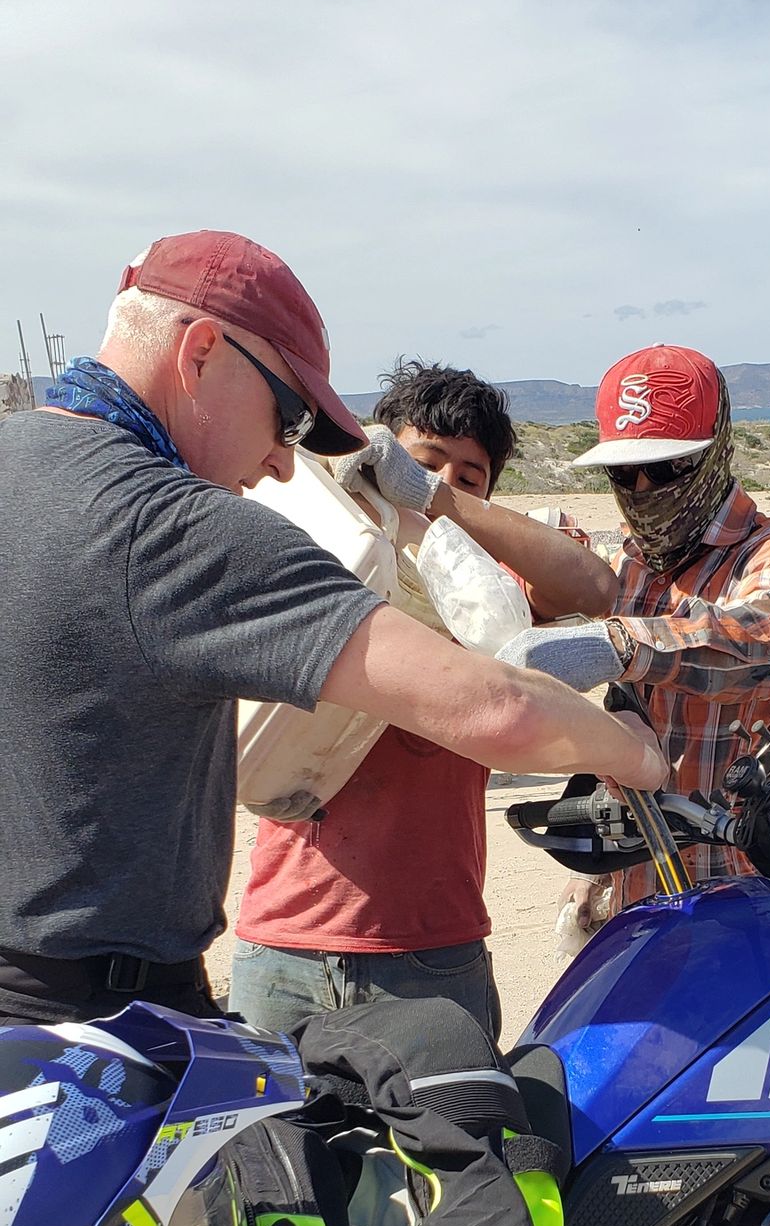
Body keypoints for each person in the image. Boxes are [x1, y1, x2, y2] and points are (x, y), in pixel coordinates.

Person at [0, 233, 665, 1028]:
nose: (284, 465)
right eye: (288, 418)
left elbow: (588, 586)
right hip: (99, 1018)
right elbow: (499, 711)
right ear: (201, 351)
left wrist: (432, 504)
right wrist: (636, 753)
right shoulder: (180, 527)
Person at [230, 362, 615, 1042]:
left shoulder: (488, 596)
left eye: (470, 477)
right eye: (424, 461)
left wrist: (432, 498)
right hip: (281, 941)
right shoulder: (323, 557)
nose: (443, 481)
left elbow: (594, 588)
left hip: (429, 949)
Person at [496, 343, 770, 918]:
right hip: (638, 876)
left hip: (739, 882)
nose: (645, 489)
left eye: (669, 467)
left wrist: (622, 646)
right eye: (625, 472)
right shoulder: (628, 561)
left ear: (716, 452)